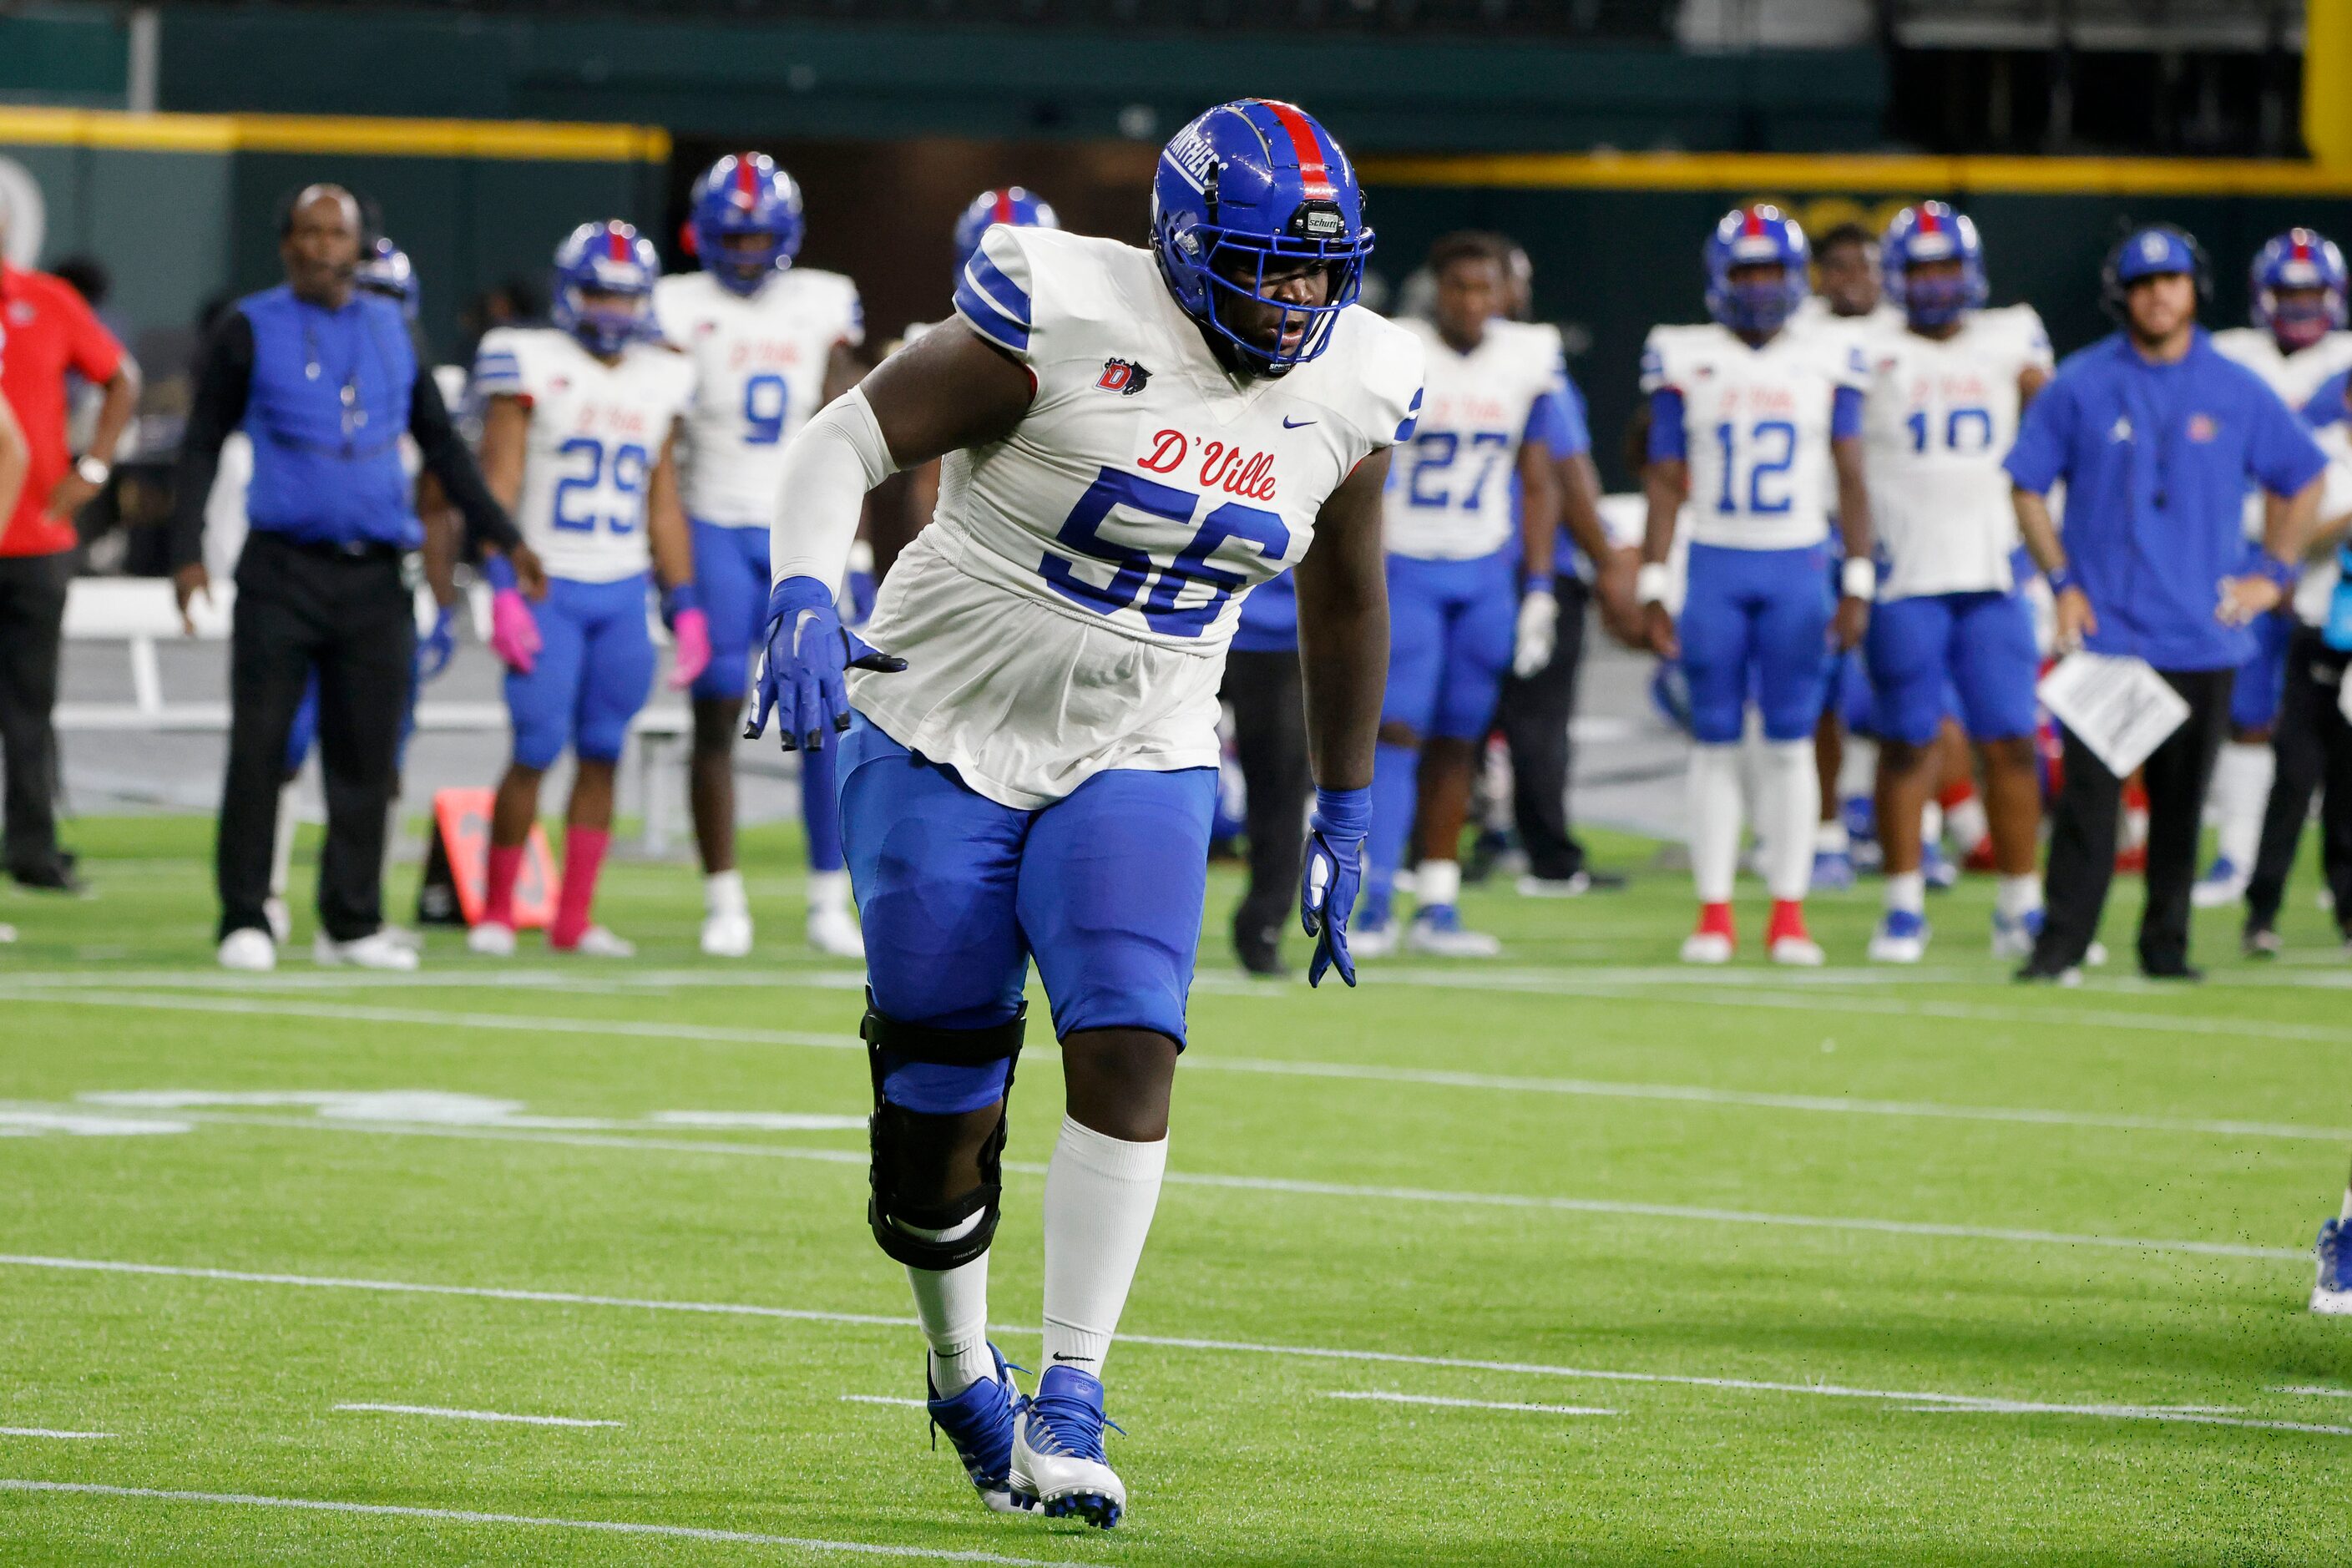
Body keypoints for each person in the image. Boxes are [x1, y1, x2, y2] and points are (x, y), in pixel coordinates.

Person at [744, 99, 1415, 1526]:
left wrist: (1343, 808)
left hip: (1143, 737)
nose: (1297, 298)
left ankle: (1074, 1391)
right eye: (1267, 265)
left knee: (1127, 1034)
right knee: (939, 1105)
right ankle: (956, 1363)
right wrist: (807, 584)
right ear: (1179, 247)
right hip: (935, 720)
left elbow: (1347, 591)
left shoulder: (1355, 384)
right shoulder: (1056, 310)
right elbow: (836, 446)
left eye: (1319, 271)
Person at [172, 185, 539, 973]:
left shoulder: (392, 329)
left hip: (375, 572)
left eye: (333, 233)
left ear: (358, 246)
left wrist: (503, 537)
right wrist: (187, 546)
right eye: (305, 232)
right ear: (285, 245)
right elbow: (201, 441)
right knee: (261, 747)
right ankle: (246, 915)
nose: (319, 247)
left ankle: (351, 919)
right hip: (282, 565)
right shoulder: (250, 327)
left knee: (366, 753)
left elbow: (443, 450)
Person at [2006, 224, 2327, 983]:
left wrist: (2273, 573)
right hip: (2111, 633)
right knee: (2088, 806)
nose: (2159, 295)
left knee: (2182, 809)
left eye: (2172, 280)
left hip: (2201, 633)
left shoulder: (2233, 386)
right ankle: (2059, 946)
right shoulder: (2080, 383)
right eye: (2145, 283)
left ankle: (2165, 947)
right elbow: (2025, 484)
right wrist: (2060, 584)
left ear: (2195, 288)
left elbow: (2302, 474)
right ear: (2123, 294)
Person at [1638, 205, 1874, 967]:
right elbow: (1666, 479)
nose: (1761, 287)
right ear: (1719, 279)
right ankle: (1713, 914)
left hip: (1797, 563)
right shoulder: (1685, 354)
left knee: (1787, 742)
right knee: (1711, 743)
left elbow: (1850, 472)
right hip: (1715, 563)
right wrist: (1652, 577)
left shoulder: (1828, 353)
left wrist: (1859, 577)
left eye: (1773, 270)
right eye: (1747, 271)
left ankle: (1787, 914)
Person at [466, 221, 702, 959]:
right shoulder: (527, 360)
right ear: (571, 291)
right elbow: (496, 484)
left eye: (626, 296)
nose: (611, 310)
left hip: (621, 587)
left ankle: (573, 917)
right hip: (547, 584)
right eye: (599, 291)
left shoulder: (662, 374)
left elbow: (663, 502)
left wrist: (685, 601)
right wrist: (501, 582)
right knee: (535, 746)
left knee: (603, 750)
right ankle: (500, 911)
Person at [654, 153, 867, 959]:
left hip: (798, 530)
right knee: (714, 708)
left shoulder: (822, 300)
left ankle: (823, 898)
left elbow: (854, 426)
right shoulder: (674, 306)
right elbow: (657, 444)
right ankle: (723, 897)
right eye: (731, 237)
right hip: (712, 519)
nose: (745, 253)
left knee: (821, 715)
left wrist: (858, 545)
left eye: (758, 237)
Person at [1350, 233, 1560, 958]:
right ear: (1435, 292)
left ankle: (1437, 900)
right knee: (1397, 733)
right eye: (1458, 287)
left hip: (1482, 572)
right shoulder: (1397, 348)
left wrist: (1538, 587)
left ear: (1503, 294)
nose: (1471, 302)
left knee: (1459, 738)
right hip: (1407, 564)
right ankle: (1374, 899)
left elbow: (1540, 478)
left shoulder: (1527, 356)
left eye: (1484, 288)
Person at [1858, 202, 2053, 964]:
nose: (1936, 284)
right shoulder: (1859, 349)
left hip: (1990, 573)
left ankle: (2020, 903)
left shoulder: (2011, 340)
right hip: (1902, 575)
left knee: (2010, 742)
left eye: (1947, 267)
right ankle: (1903, 905)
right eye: (1922, 269)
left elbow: (2057, 424)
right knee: (1905, 744)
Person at [2195, 230, 2352, 909]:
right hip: (2247, 552)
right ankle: (2236, 856)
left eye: (2309, 292)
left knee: (2337, 726)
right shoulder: (2231, 356)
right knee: (2247, 712)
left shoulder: (2345, 359)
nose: (2297, 305)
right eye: (2285, 292)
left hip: (2337, 567)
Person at [1482, 240, 1636, 898]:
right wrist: (1607, 561)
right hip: (1529, 567)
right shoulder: (1532, 366)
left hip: (1455, 563)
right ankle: (1549, 856)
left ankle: (1437, 848)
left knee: (1450, 720)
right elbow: (1568, 476)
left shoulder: (1425, 359)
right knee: (1537, 724)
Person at [0, 210, 139, 895]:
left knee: (29, 704)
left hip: (33, 539)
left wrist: (94, 469)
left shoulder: (47, 301)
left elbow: (122, 377)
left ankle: (31, 847)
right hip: (30, 534)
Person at [2243, 366, 2352, 955]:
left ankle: (2347, 911)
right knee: (2294, 776)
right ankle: (2261, 910)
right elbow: (2290, 540)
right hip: (2317, 629)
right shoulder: (2319, 454)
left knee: (2349, 786)